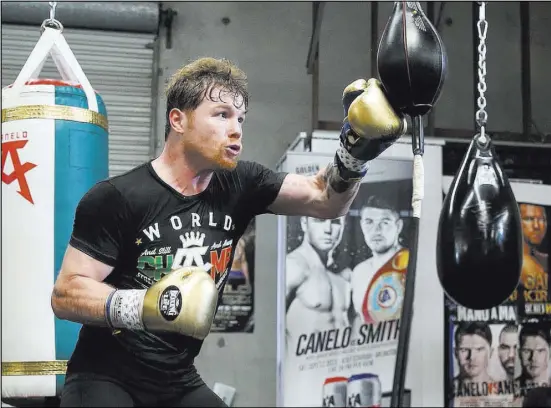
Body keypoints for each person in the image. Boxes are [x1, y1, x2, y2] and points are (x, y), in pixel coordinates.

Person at [51, 58, 406, 406]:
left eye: (241, 119)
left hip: (176, 379)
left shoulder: (241, 183)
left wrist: (355, 151)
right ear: (178, 120)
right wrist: (146, 305)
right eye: (222, 115)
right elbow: (66, 294)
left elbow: (325, 199)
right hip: (105, 376)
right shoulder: (117, 197)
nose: (236, 129)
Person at [285, 216, 350, 348]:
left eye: (336, 222)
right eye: (319, 220)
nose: (328, 229)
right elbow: (268, 326)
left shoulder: (345, 275)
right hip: (300, 365)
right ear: (304, 223)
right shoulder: (294, 266)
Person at [350, 196, 409, 325]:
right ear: (361, 225)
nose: (376, 230)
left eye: (385, 222)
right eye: (369, 222)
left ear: (398, 226)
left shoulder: (412, 264)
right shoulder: (359, 271)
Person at [453, 322, 495, 391]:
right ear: (455, 353)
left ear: (490, 352)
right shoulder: (447, 389)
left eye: (479, 349)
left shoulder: (501, 390)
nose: (471, 357)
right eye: (464, 349)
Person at [516, 323, 551, 390]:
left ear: (549, 353)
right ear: (519, 353)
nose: (533, 358)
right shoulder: (511, 388)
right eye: (527, 351)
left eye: (540, 350)